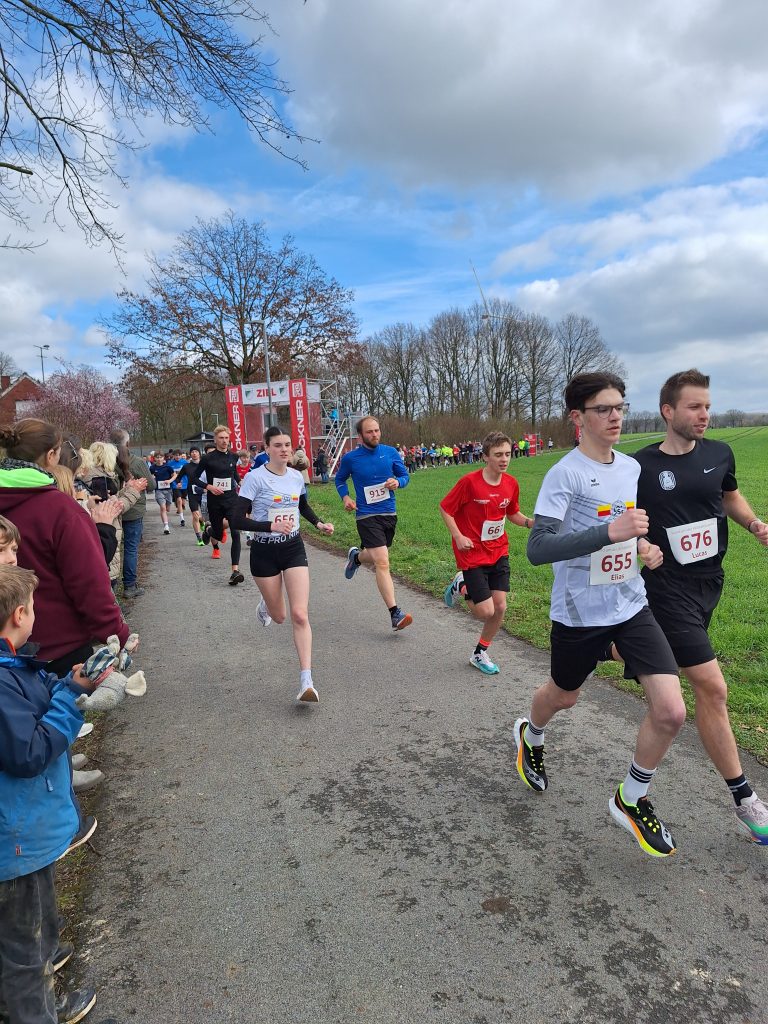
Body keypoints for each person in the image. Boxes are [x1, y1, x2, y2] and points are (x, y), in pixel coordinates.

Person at [515, 372, 686, 858]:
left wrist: (644, 548)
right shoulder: (564, 474)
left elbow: (629, 531)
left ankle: (631, 798)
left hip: (631, 605)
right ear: (577, 417)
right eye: (603, 409)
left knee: (672, 711)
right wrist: (609, 534)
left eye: (620, 407)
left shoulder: (630, 468)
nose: (615, 417)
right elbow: (538, 548)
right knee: (563, 697)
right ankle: (533, 733)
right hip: (578, 614)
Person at [630, 369, 768, 844]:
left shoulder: (718, 454)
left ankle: (607, 647)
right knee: (711, 687)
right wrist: (642, 546)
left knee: (664, 665)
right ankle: (745, 799)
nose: (704, 414)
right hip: (665, 586)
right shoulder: (640, 467)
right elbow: (620, 522)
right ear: (669, 411)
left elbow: (728, 494)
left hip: (710, 582)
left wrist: (752, 524)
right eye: (694, 407)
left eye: (707, 406)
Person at [0, 564, 101, 1023]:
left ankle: (40, 1007)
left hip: (20, 837)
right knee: (26, 948)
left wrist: (67, 684)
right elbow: (29, 751)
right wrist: (69, 701)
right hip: (15, 841)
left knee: (30, 938)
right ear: (20, 614)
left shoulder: (12, 666)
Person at [0, 419, 129, 674]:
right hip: (58, 651)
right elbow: (89, 583)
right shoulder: (60, 510)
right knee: (62, 713)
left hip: (6, 653)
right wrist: (117, 635)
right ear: (51, 455)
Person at [233, 426, 334, 702]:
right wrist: (269, 526)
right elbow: (237, 519)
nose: (284, 449)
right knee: (280, 617)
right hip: (263, 551)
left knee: (300, 614)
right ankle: (267, 602)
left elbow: (301, 506)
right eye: (278, 445)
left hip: (292, 548)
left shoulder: (295, 477)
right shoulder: (255, 479)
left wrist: (318, 523)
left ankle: (306, 681)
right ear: (266, 449)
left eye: (287, 444)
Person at [441, 432, 533, 674]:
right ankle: (461, 584)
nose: (504, 459)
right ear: (485, 457)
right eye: (498, 455)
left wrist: (529, 523)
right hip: (471, 552)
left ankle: (480, 652)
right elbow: (446, 509)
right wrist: (458, 536)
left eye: (507, 454)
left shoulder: (511, 483)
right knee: (485, 612)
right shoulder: (469, 482)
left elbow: (512, 513)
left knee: (500, 607)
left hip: (498, 550)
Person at [335, 416, 412, 630]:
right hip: (366, 515)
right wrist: (346, 498)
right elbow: (339, 479)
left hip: (389, 513)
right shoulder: (351, 458)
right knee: (383, 562)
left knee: (379, 554)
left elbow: (405, 476)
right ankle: (395, 613)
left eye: (377, 430)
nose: (375, 435)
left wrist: (398, 482)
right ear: (360, 436)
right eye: (369, 432)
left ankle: (356, 557)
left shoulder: (391, 452)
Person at [191, 425, 244, 585]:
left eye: (227, 438)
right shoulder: (208, 458)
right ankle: (208, 530)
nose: (224, 441)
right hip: (215, 502)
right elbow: (194, 478)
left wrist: (242, 482)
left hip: (231, 500)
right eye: (221, 438)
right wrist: (209, 487)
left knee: (235, 532)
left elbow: (233, 474)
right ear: (215, 440)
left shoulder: (234, 457)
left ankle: (235, 571)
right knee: (219, 535)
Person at [111, 428, 155, 598]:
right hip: (133, 510)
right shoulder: (136, 462)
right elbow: (151, 486)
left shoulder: (105, 462)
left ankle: (112, 588)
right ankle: (129, 586)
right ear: (128, 443)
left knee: (112, 549)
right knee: (130, 548)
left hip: (111, 510)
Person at [149, 451, 178, 535]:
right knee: (163, 508)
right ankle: (166, 526)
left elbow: (175, 475)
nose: (159, 459)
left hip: (168, 490)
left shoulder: (168, 467)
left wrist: (169, 481)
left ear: (163, 458)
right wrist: (152, 478)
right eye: (157, 457)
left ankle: (167, 508)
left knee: (167, 508)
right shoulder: (152, 468)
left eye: (160, 457)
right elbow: (149, 477)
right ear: (154, 458)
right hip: (158, 490)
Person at [168, 449, 188, 526]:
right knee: (179, 500)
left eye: (179, 455)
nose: (177, 456)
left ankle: (180, 507)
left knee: (183, 502)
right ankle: (182, 519)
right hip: (175, 484)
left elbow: (189, 472)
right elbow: (168, 473)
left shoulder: (185, 463)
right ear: (173, 456)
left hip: (185, 484)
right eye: (176, 455)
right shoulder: (170, 464)